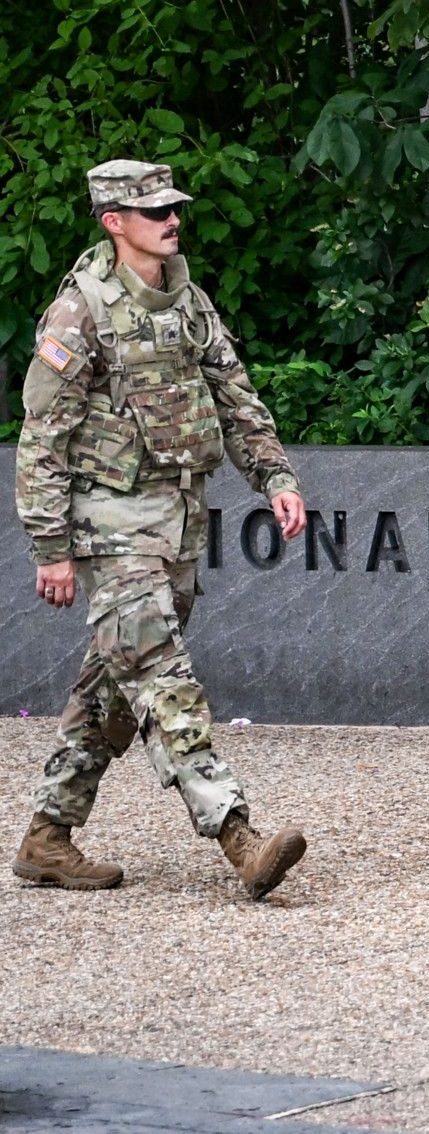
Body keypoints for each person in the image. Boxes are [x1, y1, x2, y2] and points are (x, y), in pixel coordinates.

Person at [14, 159, 309, 900]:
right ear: (114, 222)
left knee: (114, 684)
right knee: (158, 674)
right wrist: (50, 547)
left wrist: (274, 477)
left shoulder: (187, 298)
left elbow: (234, 393)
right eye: (154, 213)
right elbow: (43, 437)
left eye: (174, 209)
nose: (172, 221)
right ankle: (237, 833)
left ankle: (48, 835)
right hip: (111, 522)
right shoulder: (80, 311)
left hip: (179, 517)